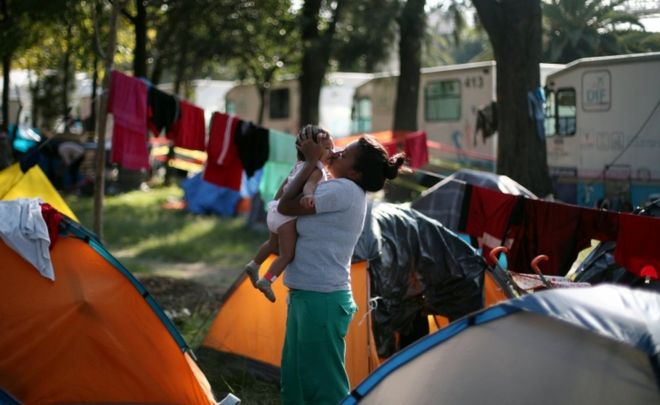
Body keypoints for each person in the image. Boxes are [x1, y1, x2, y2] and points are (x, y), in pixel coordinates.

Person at [277, 127, 406, 404]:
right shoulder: (337, 186)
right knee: (295, 381)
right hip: (307, 293)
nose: (335, 152)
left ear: (355, 173)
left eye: (344, 153)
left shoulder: (344, 190)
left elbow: (286, 207)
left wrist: (312, 161)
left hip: (321, 298)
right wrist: (306, 160)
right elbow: (283, 198)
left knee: (324, 387)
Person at [243, 125, 335, 302]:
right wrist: (309, 195)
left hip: (275, 210)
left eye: (332, 147)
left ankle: (254, 265)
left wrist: (274, 205)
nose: (331, 152)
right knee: (286, 254)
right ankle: (267, 280)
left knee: (272, 243)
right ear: (313, 151)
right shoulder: (316, 170)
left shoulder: (299, 165)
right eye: (327, 148)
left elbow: (283, 187)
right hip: (287, 218)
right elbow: (309, 186)